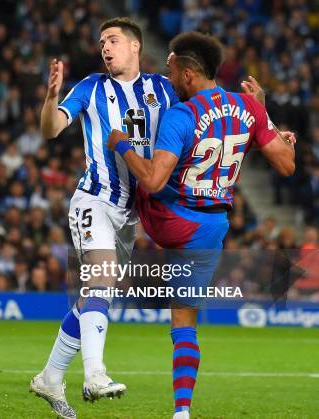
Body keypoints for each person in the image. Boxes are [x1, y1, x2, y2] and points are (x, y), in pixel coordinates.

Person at [108, 32, 295, 419]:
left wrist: (122, 143)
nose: (168, 74)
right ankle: (181, 411)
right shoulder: (249, 106)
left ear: (190, 74)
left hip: (170, 219)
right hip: (212, 228)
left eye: (172, 69)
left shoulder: (181, 114)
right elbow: (288, 164)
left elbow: (154, 182)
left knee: (136, 171)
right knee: (184, 318)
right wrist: (266, 119)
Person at [30, 17, 180, 418]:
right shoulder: (91, 88)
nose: (105, 47)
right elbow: (51, 129)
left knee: (94, 297)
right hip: (94, 199)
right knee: (100, 279)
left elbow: (207, 113)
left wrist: (265, 125)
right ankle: (95, 375)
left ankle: (49, 376)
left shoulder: (163, 90)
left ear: (135, 47)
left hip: (131, 215)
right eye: (101, 42)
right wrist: (50, 98)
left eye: (113, 40)